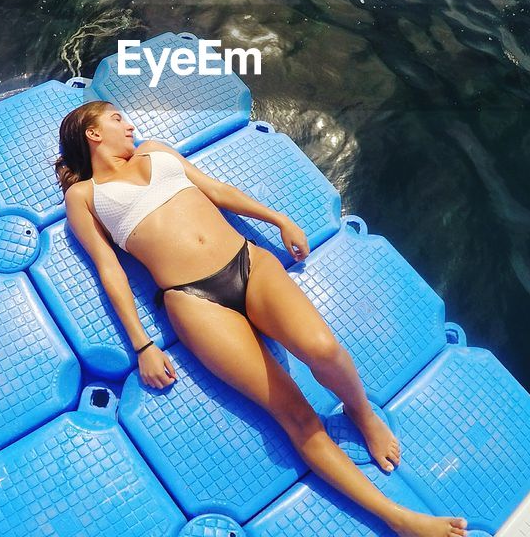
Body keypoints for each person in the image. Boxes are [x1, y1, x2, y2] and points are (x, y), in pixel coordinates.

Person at [56, 100, 469, 537]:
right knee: (293, 414)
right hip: (193, 301)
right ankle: (399, 518)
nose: (131, 123)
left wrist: (278, 219)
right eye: (117, 118)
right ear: (92, 133)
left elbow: (215, 191)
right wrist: (142, 345)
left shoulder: (156, 150)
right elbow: (109, 271)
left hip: (248, 264)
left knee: (324, 350)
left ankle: (361, 411)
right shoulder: (84, 197)